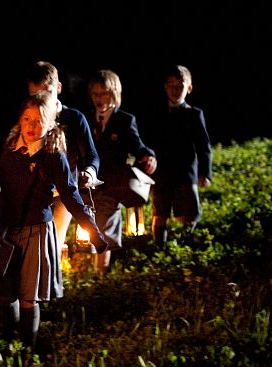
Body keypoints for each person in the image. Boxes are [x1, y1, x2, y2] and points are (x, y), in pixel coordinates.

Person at [0, 91, 107, 350]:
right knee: (5, 293)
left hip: (36, 232)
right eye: (27, 119)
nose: (31, 126)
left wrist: (93, 232)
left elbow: (70, 195)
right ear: (20, 120)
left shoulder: (54, 156)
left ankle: (27, 352)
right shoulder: (12, 149)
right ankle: (8, 347)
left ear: (50, 124)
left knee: (27, 297)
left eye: (38, 120)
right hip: (8, 229)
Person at [22, 61, 100, 255]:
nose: (41, 100)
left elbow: (92, 156)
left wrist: (90, 173)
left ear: (58, 88)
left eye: (47, 93)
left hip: (62, 195)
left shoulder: (74, 118)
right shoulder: (27, 118)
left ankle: (53, 272)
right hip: (31, 194)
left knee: (52, 248)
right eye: (35, 95)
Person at [87, 69, 157, 274]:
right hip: (88, 183)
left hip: (113, 185)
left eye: (104, 94)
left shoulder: (125, 120)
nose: (99, 99)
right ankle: (86, 272)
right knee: (88, 226)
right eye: (95, 94)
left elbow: (138, 146)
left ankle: (100, 275)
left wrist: (149, 156)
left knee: (105, 227)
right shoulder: (86, 118)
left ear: (114, 94)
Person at [146, 65, 213, 247]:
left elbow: (203, 146)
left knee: (188, 214)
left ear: (189, 88)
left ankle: (185, 245)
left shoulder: (194, 114)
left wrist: (205, 173)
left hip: (185, 173)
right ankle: (160, 247)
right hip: (161, 173)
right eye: (171, 85)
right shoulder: (157, 114)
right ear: (165, 87)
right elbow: (148, 142)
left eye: (180, 86)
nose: (175, 90)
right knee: (160, 212)